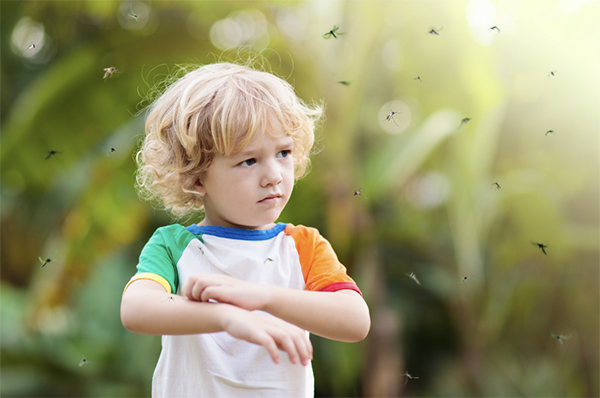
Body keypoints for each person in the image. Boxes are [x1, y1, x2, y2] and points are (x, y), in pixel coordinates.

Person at [120, 62, 370, 398]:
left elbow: (355, 321)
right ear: (196, 177)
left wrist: (262, 297)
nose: (274, 175)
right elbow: (136, 310)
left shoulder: (302, 246)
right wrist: (225, 316)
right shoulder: (173, 246)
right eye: (249, 161)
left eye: (283, 152)